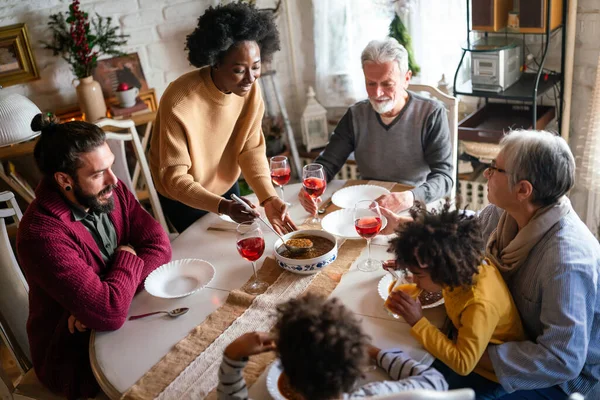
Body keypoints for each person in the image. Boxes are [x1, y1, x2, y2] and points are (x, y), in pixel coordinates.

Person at [382, 130, 600, 399]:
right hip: (488, 337)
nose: (486, 174)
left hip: (551, 380)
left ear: (523, 189)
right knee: (406, 362)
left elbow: (561, 360)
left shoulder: (566, 262)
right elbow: (465, 229)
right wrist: (419, 253)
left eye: (494, 169)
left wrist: (465, 348)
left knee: (423, 381)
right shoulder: (506, 211)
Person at [17, 113, 172, 399]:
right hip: (75, 357)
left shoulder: (108, 190)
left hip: (129, 319)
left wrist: (109, 296)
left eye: (110, 166)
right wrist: (126, 259)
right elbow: (109, 313)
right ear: (64, 179)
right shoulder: (41, 234)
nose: (114, 179)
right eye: (98, 173)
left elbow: (159, 245)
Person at [149, 2, 296, 234]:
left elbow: (251, 150)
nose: (250, 78)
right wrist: (222, 206)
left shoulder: (250, 90)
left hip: (226, 186)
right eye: (239, 70)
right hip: (185, 197)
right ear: (215, 61)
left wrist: (268, 198)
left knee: (239, 247)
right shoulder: (179, 101)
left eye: (256, 67)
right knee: (209, 255)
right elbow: (175, 179)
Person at [298, 37, 453, 215]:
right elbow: (328, 162)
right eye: (371, 83)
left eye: (387, 84)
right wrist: (311, 184)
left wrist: (409, 197)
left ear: (406, 78)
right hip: (367, 205)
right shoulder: (356, 114)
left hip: (414, 203)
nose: (378, 93)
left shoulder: (431, 114)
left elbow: (444, 177)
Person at [387, 201, 525, 400]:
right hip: (459, 341)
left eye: (418, 274)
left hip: (486, 376)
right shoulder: (463, 266)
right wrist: (412, 266)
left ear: (443, 269)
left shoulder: (479, 303)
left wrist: (418, 322)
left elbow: (463, 363)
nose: (414, 280)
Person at [217, 293, 448, 400]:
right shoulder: (377, 395)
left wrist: (232, 356)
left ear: (291, 381)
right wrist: (374, 352)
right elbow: (435, 380)